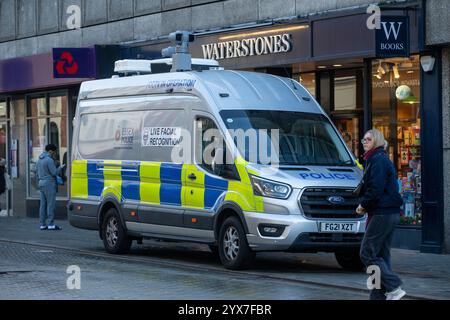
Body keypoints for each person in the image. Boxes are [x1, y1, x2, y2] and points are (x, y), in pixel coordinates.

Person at [356, 129, 405, 300]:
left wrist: (363, 204)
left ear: (376, 141)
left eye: (368, 139)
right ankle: (378, 296)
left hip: (382, 212)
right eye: (363, 139)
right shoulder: (375, 159)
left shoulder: (377, 160)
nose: (364, 142)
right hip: (388, 212)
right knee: (381, 256)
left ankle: (394, 286)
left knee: (367, 253)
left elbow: (375, 189)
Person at [37, 144, 63, 231]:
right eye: (54, 151)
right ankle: (51, 224)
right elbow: (54, 173)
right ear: (51, 151)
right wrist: (60, 167)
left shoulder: (39, 159)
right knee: (51, 204)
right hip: (49, 183)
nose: (54, 153)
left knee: (43, 205)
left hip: (41, 183)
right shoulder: (49, 160)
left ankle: (42, 224)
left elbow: (37, 172)